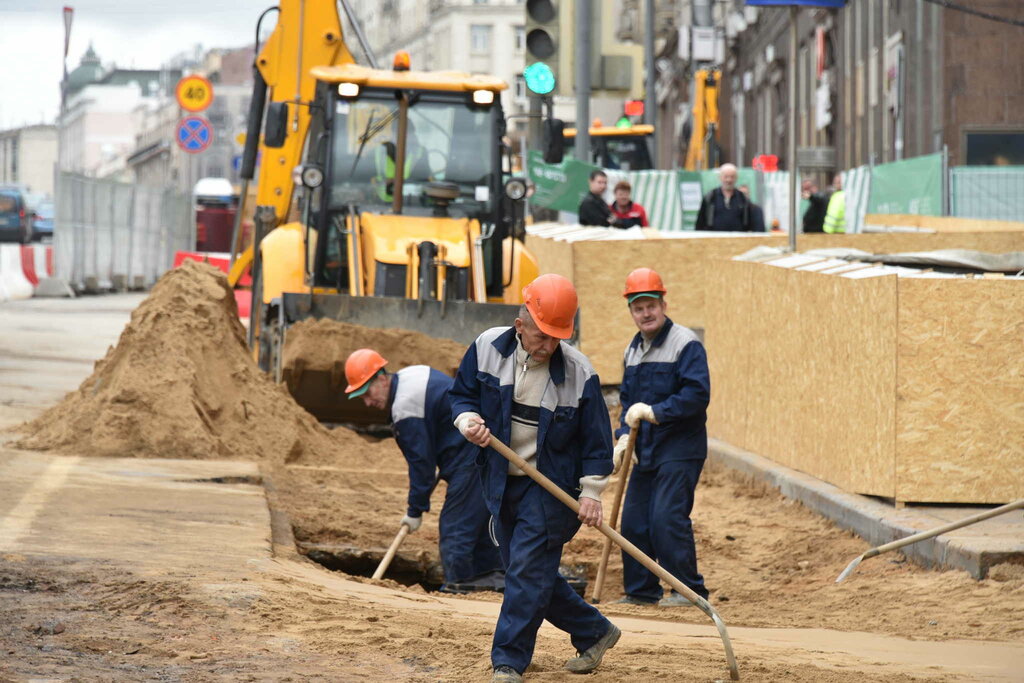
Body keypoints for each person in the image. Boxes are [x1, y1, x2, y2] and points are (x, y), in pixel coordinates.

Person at [449, 274, 620, 683]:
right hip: (501, 478)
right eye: (541, 335)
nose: (547, 346)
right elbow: (462, 394)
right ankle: (594, 630)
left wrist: (593, 493)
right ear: (519, 323)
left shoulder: (580, 374)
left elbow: (598, 442)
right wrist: (466, 419)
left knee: (526, 574)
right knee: (527, 573)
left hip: (552, 489)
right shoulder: (488, 347)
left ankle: (507, 662)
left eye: (556, 338)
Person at [343, 349, 503, 593]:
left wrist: (415, 510)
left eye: (367, 392)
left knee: (456, 527)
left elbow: (421, 465)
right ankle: (492, 581)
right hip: (477, 452)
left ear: (382, 379)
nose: (367, 402)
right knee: (478, 524)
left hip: (471, 457)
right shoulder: (409, 376)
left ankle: (459, 587)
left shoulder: (405, 408)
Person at [613, 268, 711, 608]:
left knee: (666, 516)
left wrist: (656, 412)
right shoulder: (633, 351)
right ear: (631, 311)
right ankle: (641, 591)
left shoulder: (685, 343)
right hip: (647, 449)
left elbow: (698, 394)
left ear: (663, 304)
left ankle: (688, 590)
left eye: (651, 305)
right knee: (634, 522)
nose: (645, 313)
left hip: (681, 446)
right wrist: (624, 437)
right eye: (638, 308)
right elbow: (627, 402)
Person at [694, 163, 755, 231]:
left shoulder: (743, 198)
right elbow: (700, 222)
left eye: (732, 177)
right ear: (720, 177)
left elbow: (749, 222)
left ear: (736, 178)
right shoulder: (710, 197)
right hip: (714, 239)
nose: (729, 180)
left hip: (738, 239)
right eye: (726, 176)